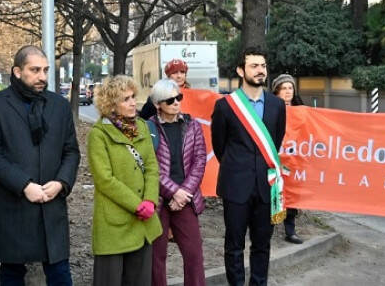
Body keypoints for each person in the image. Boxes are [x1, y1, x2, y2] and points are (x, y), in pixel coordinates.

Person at [0, 45, 81, 285]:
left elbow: (71, 151)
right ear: (17, 71)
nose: (42, 76)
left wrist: (61, 182)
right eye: (34, 70)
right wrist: (24, 185)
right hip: (13, 203)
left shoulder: (59, 106)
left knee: (59, 271)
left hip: (51, 201)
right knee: (12, 271)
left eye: (45, 70)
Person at [211, 47, 287, 286]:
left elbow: (276, 141)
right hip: (236, 187)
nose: (260, 70)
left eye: (263, 65)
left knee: (262, 245)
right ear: (240, 70)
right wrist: (238, 167)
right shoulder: (225, 106)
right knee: (234, 245)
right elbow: (219, 146)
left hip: (267, 187)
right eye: (254, 66)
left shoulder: (277, 105)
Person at [87, 75, 162, 285]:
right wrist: (137, 205)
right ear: (111, 105)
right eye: (125, 99)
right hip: (114, 225)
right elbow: (105, 180)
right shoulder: (98, 134)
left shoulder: (142, 127)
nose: (132, 103)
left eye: (133, 97)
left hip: (142, 224)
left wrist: (149, 200)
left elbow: (152, 168)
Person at [149, 78, 207, 286]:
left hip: (186, 199)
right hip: (159, 201)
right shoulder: (148, 128)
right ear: (158, 104)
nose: (176, 102)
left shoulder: (193, 125)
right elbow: (150, 167)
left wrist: (184, 193)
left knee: (194, 255)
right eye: (170, 99)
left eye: (178, 97)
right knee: (156, 257)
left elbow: (200, 161)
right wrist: (173, 192)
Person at [271, 73, 304, 245]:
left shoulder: (301, 110)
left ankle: (290, 230)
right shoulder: (270, 109)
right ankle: (269, 226)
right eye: (283, 88)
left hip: (294, 160)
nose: (287, 91)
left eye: (290, 87)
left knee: (291, 194)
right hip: (275, 158)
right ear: (276, 91)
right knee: (275, 192)